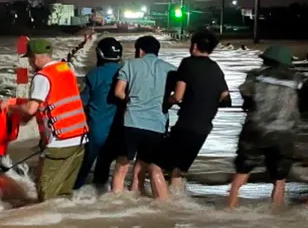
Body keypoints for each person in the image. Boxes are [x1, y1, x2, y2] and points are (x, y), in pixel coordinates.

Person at [6, 39, 88, 201]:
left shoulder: (42, 77)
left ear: (35, 58)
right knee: (64, 194)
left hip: (61, 141)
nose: (29, 63)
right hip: (80, 138)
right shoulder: (65, 68)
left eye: (30, 59)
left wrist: (9, 107)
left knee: (47, 198)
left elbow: (31, 109)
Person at [149, 31, 231, 192]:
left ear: (194, 46)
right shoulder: (216, 68)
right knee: (177, 171)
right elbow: (225, 96)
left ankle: (162, 206)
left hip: (186, 125)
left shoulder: (188, 64)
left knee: (155, 167)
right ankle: (176, 203)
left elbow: (178, 96)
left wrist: (165, 103)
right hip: (204, 129)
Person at [227, 45, 304, 208]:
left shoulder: (256, 75)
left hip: (256, 130)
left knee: (242, 171)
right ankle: (276, 213)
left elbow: (246, 94)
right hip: (285, 133)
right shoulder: (297, 79)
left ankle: (230, 207)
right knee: (279, 178)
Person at [110, 35, 176, 199]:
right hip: (157, 125)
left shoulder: (130, 65)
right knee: (146, 164)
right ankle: (146, 196)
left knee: (122, 166)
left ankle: (115, 202)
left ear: (140, 50)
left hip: (131, 121)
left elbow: (118, 92)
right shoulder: (171, 69)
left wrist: (131, 100)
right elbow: (177, 95)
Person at [74, 37, 123, 189]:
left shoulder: (93, 75)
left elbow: (82, 102)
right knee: (104, 167)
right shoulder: (126, 73)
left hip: (95, 131)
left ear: (99, 54)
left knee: (82, 169)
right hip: (119, 131)